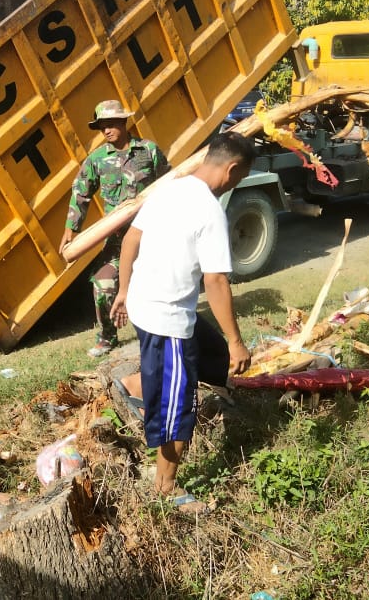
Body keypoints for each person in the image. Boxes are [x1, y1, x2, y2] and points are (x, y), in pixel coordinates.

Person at [109, 132, 254, 510]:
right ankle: (166, 486)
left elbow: (130, 240)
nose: (232, 187)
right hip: (167, 320)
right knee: (179, 408)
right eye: (237, 181)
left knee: (212, 354)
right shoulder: (210, 211)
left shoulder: (168, 189)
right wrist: (237, 340)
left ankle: (141, 382)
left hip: (144, 304)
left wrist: (124, 290)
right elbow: (216, 280)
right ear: (232, 169)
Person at [58, 100, 169, 358]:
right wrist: (70, 228)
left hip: (152, 237)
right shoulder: (97, 160)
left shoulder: (148, 151)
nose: (106, 131)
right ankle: (107, 337)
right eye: (101, 127)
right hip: (119, 243)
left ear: (124, 122)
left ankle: (164, 333)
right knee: (102, 284)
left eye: (110, 124)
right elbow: (81, 193)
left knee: (162, 287)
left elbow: (169, 183)